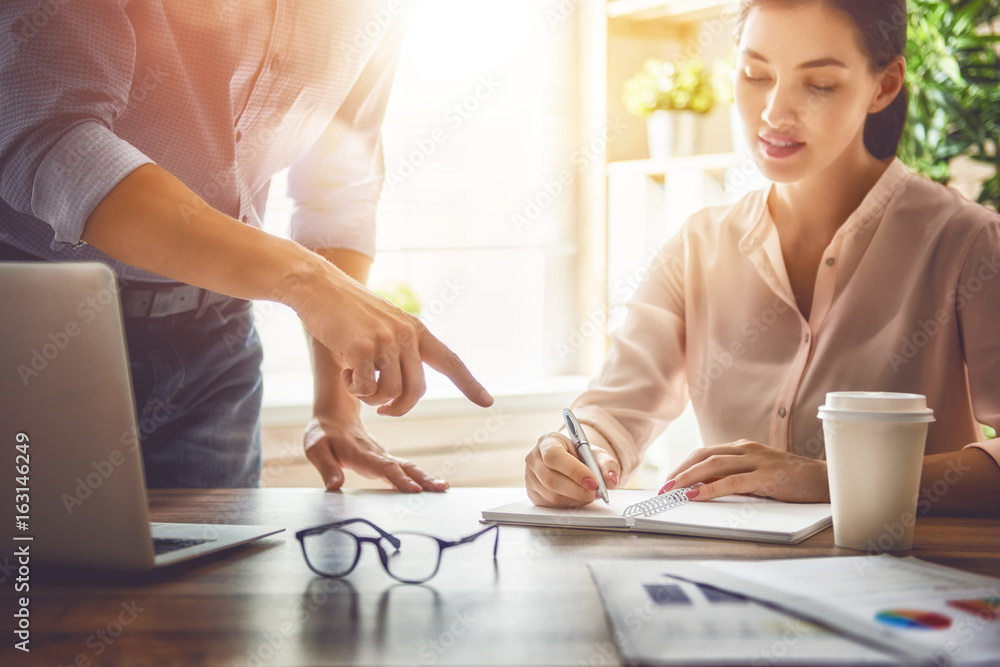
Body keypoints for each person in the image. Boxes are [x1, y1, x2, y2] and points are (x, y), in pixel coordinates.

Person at [526, 0, 1000, 512]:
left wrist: (832, 479)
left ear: (883, 86)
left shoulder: (966, 243)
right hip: (727, 582)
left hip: (906, 584)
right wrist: (577, 452)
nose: (774, 113)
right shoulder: (699, 246)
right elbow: (615, 409)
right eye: (755, 74)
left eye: (819, 85)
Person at [0, 2, 492, 490]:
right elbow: (52, 136)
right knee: (30, 564)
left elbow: (337, 190)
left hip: (217, 344)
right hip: (37, 328)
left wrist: (337, 409)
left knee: (216, 568)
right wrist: (307, 281)